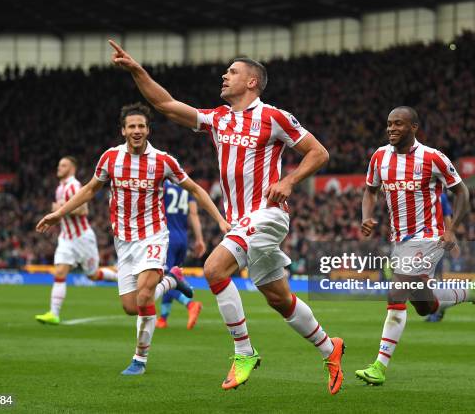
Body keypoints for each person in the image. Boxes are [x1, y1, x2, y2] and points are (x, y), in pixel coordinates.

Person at [109, 40, 345, 394]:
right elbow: (165, 105)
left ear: (252, 82)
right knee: (278, 297)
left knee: (214, 269)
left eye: (232, 72)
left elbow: (318, 152)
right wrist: (137, 70)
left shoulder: (273, 117)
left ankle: (244, 352)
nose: (224, 75)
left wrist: (289, 180)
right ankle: (331, 348)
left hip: (267, 214)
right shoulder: (218, 119)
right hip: (240, 223)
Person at [36, 103, 230, 375]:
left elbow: (195, 189)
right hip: (124, 241)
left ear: (148, 130)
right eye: (132, 126)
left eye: (141, 126)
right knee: (131, 306)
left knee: (144, 296)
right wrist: (58, 215)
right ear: (123, 130)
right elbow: (91, 190)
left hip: (153, 235)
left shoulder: (163, 161)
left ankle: (140, 358)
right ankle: (173, 278)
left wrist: (220, 219)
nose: (137, 131)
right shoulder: (110, 159)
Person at [355, 106, 475, 386]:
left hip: (428, 237)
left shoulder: (433, 158)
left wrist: (451, 229)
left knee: (397, 291)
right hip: (399, 240)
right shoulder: (379, 157)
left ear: (414, 127)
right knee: (425, 306)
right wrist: (367, 217)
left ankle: (379, 366)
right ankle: (469, 292)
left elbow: (462, 191)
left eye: (399, 124)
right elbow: (370, 191)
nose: (392, 129)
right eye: (389, 124)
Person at [35, 156, 118, 325]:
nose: (59, 168)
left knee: (93, 275)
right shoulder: (60, 188)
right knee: (59, 272)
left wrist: (60, 209)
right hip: (66, 238)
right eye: (59, 164)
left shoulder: (74, 185)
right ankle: (53, 313)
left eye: (63, 165)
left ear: (72, 168)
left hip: (82, 238)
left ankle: (120, 277)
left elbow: (83, 210)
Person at [156, 180, 204, 330]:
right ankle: (163, 319)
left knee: (165, 278)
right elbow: (194, 214)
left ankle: (190, 304)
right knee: (172, 277)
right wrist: (199, 239)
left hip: (167, 237)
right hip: (183, 238)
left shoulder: (161, 186)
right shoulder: (186, 189)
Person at [425, 192, 453, 322]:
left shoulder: (440, 195)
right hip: (425, 241)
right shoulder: (423, 191)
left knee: (435, 277)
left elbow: (447, 217)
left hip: (436, 240)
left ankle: (438, 310)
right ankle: (435, 310)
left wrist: (449, 236)